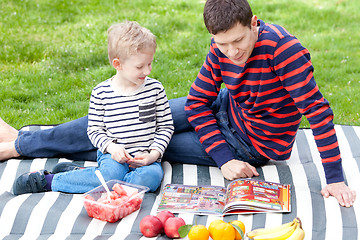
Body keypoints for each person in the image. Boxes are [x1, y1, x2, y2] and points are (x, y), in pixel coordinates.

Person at [0, 0, 355, 207]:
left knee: (142, 146)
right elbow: (199, 102)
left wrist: (335, 179)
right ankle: (19, 144)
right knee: (127, 116)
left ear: (254, 23)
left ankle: (44, 156)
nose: (231, 52)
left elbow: (320, 115)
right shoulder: (221, 48)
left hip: (250, 144)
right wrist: (222, 154)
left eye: (237, 42)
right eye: (221, 44)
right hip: (221, 109)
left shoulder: (284, 52)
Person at [12, 21, 174, 195]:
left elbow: (165, 127)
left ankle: (91, 179)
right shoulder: (101, 93)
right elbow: (94, 130)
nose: (147, 71)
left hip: (146, 160)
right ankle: (50, 181)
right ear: (117, 64)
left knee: (150, 178)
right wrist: (112, 148)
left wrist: (154, 154)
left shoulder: (155, 89)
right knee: (111, 174)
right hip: (113, 158)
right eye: (140, 67)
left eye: (149, 63)